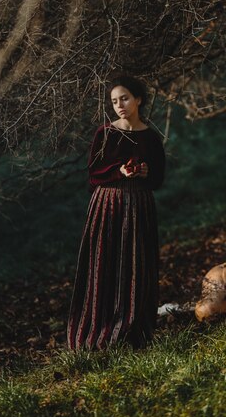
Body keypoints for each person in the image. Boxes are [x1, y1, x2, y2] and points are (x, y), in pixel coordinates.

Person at [67, 75, 165, 350]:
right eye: (114, 101)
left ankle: (132, 329)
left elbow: (158, 179)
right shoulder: (105, 133)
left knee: (136, 266)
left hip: (139, 206)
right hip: (107, 206)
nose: (119, 105)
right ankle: (101, 327)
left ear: (138, 100)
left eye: (124, 98)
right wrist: (117, 171)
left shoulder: (151, 138)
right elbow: (93, 173)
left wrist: (145, 173)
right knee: (105, 264)